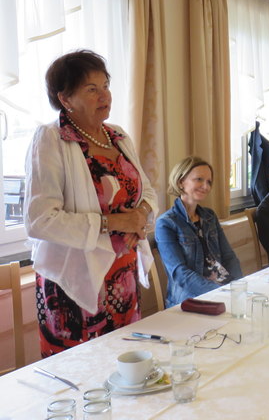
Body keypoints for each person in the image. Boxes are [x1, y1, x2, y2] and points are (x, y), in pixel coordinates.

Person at [25, 50, 158, 357]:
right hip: (73, 283)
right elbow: (39, 219)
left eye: (105, 86)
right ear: (66, 99)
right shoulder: (50, 138)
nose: (104, 95)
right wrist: (112, 223)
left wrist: (140, 215)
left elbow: (147, 193)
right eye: (91, 89)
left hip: (121, 277)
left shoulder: (118, 136)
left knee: (125, 368)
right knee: (82, 381)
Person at [155, 156, 243, 308]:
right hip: (189, 300)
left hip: (224, 292)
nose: (206, 186)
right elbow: (180, 274)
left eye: (209, 181)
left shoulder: (209, 216)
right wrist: (221, 293)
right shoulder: (166, 224)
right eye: (199, 179)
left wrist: (238, 286)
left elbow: (229, 257)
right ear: (181, 181)